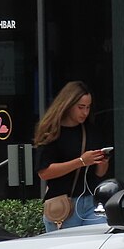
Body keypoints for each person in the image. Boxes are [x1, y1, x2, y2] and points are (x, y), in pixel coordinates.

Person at [34, 80, 111, 232]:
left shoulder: (90, 130)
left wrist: (102, 161)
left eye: (88, 107)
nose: (85, 112)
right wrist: (81, 161)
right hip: (63, 205)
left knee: (98, 243)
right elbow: (44, 172)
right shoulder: (53, 131)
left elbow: (100, 173)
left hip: (90, 202)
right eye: (80, 107)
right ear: (68, 105)